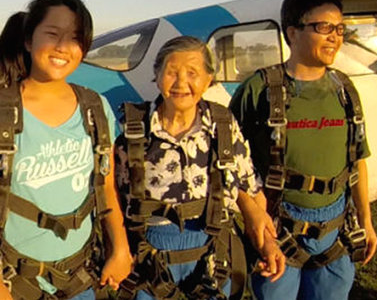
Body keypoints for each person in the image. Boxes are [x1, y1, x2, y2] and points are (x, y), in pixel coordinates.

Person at [0, 0, 132, 300]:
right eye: (53, 33)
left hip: (80, 275)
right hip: (14, 280)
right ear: (28, 40)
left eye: (76, 38)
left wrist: (119, 247)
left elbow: (105, 187)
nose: (64, 46)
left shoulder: (96, 108)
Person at [229, 0, 377, 300]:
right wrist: (254, 219)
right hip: (278, 230)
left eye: (340, 28)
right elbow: (230, 164)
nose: (335, 37)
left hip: (336, 231)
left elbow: (358, 160)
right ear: (293, 33)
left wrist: (365, 219)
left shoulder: (345, 91)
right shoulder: (258, 90)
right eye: (324, 27)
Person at [114, 36, 285, 300]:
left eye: (192, 73)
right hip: (149, 254)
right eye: (171, 72)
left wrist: (266, 244)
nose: (181, 83)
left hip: (212, 250)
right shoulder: (133, 129)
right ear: (157, 76)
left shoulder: (223, 125)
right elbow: (110, 194)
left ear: (208, 79)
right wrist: (119, 250)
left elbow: (249, 186)